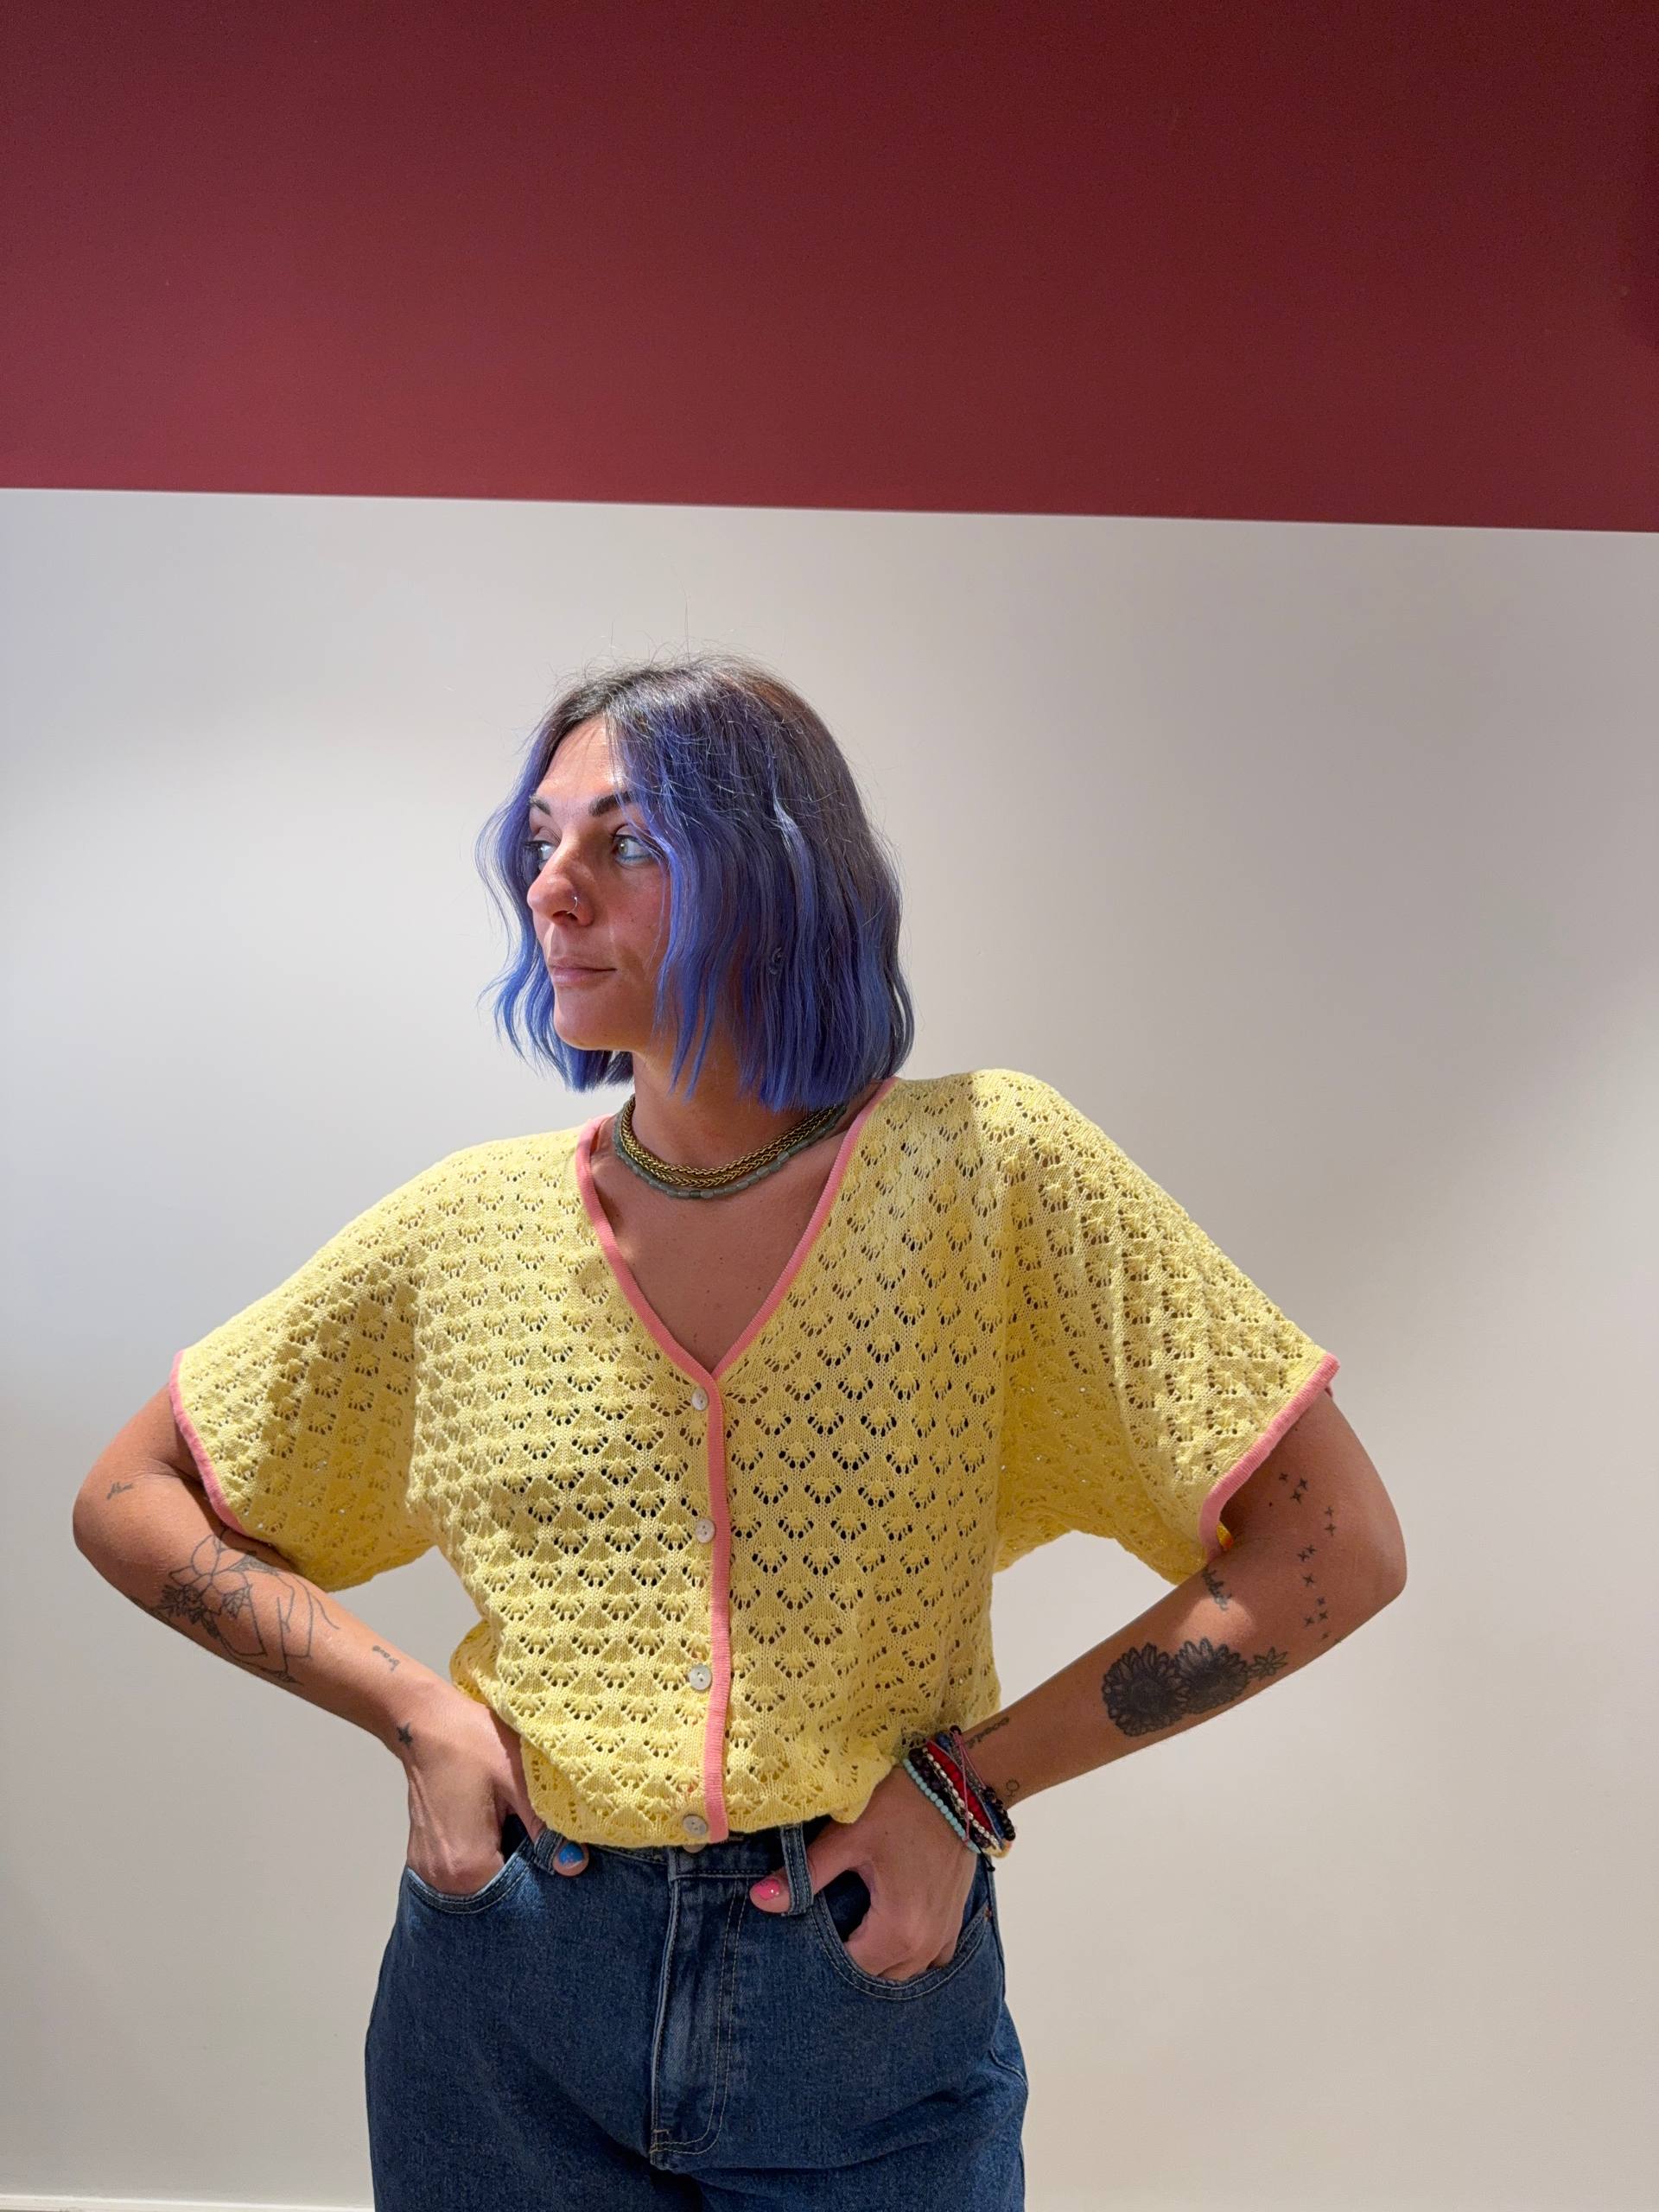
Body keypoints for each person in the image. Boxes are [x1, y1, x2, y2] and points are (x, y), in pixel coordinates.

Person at [74, 651, 1407, 2209]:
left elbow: (1335, 1547)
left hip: (860, 2000)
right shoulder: (466, 1235)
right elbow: (132, 1493)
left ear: (775, 880)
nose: (552, 887)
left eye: (625, 842)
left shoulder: (993, 1173)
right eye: (540, 840)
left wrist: (971, 1791)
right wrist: (412, 1709)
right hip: (505, 1997)